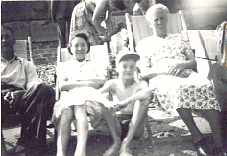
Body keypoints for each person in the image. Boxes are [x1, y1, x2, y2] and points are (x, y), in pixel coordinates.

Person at [136, 4, 226, 155]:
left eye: (162, 18)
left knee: (206, 86)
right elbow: (144, 72)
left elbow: (193, 62)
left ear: (167, 20)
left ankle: (218, 143)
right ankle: (197, 136)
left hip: (186, 72)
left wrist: (180, 64)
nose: (159, 22)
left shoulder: (180, 38)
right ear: (149, 23)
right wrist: (168, 70)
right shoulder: (144, 44)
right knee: (178, 89)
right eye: (156, 19)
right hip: (161, 76)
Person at [1, 25, 55, 155]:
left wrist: (19, 94)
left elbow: (33, 85)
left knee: (44, 89)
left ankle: (27, 145)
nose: (4, 40)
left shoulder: (26, 65)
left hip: (22, 99)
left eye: (7, 36)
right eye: (0, 37)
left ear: (14, 40)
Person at [53, 33, 107, 156]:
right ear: (70, 49)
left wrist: (76, 81)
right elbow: (62, 86)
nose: (80, 48)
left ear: (88, 47)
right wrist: (89, 82)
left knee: (80, 108)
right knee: (66, 111)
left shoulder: (96, 64)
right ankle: (60, 153)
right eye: (76, 45)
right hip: (69, 98)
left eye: (83, 45)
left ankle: (80, 151)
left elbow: (102, 81)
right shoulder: (64, 66)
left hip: (91, 97)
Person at [97, 50, 152, 156]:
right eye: (124, 66)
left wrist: (125, 103)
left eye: (132, 67)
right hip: (116, 125)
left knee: (144, 99)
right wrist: (107, 102)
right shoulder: (112, 83)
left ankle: (126, 143)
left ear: (136, 68)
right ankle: (117, 142)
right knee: (103, 98)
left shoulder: (140, 84)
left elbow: (148, 92)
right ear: (117, 68)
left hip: (135, 126)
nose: (128, 70)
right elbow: (96, 94)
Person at [68, 0, 139, 46]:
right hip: (81, 13)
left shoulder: (110, 6)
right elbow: (95, 20)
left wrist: (108, 35)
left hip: (90, 16)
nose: (112, 10)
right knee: (86, 38)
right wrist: (105, 34)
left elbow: (107, 20)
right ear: (113, 3)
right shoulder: (103, 1)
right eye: (114, 8)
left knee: (97, 40)